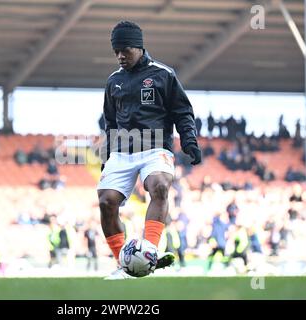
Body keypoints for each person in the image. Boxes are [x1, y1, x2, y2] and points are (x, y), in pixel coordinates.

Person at [97, 21, 201, 279]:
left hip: (156, 146)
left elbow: (182, 112)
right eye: (116, 51)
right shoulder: (113, 81)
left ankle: (149, 254)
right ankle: (127, 265)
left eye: (125, 50)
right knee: (106, 202)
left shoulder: (163, 74)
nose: (120, 56)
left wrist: (189, 141)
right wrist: (105, 156)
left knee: (160, 186)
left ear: (139, 47)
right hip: (122, 151)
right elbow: (110, 123)